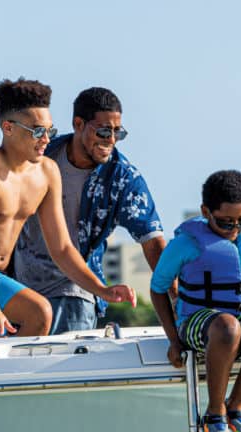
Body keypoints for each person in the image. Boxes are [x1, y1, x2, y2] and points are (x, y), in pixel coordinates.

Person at [0, 78, 134, 339]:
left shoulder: (47, 173)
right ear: (8, 128)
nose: (46, 139)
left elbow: (62, 249)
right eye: (37, 131)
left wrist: (102, 290)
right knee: (38, 313)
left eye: (50, 131)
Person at [150, 170, 241, 432]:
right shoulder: (186, 244)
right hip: (198, 322)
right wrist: (174, 341)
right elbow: (158, 288)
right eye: (225, 222)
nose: (235, 228)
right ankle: (214, 414)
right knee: (227, 326)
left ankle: (236, 408)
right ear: (205, 212)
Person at [14, 87, 165, 333]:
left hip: (76, 294)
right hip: (20, 290)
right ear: (78, 124)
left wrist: (180, 300)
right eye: (104, 131)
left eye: (118, 133)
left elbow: (153, 242)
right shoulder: (40, 157)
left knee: (62, 371)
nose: (111, 140)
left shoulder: (123, 178)